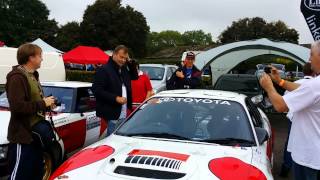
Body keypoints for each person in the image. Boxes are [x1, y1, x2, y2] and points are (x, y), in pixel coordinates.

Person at [259, 41, 320, 180]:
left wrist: (269, 87)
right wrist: (279, 81)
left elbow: (281, 106)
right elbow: (302, 89)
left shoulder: (315, 86)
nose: (309, 59)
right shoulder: (315, 85)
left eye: (311, 54)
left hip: (309, 157)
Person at [6, 43, 56, 180]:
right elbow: (17, 107)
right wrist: (42, 103)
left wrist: (47, 104)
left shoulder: (33, 75)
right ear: (30, 58)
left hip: (35, 135)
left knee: (36, 173)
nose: (42, 59)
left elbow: (32, 103)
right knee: (20, 175)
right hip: (23, 136)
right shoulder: (16, 77)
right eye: (40, 56)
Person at [92, 45, 138, 137]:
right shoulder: (103, 70)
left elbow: (135, 76)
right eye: (121, 57)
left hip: (123, 111)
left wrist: (130, 62)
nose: (123, 60)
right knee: (112, 140)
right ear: (114, 54)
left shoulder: (124, 69)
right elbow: (96, 90)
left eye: (125, 58)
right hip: (111, 112)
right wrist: (115, 98)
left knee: (120, 139)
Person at [279, 62, 314, 177]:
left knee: (290, 142)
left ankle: (286, 167)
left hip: (293, 119)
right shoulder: (314, 85)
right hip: (311, 122)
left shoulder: (295, 83)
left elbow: (283, 103)